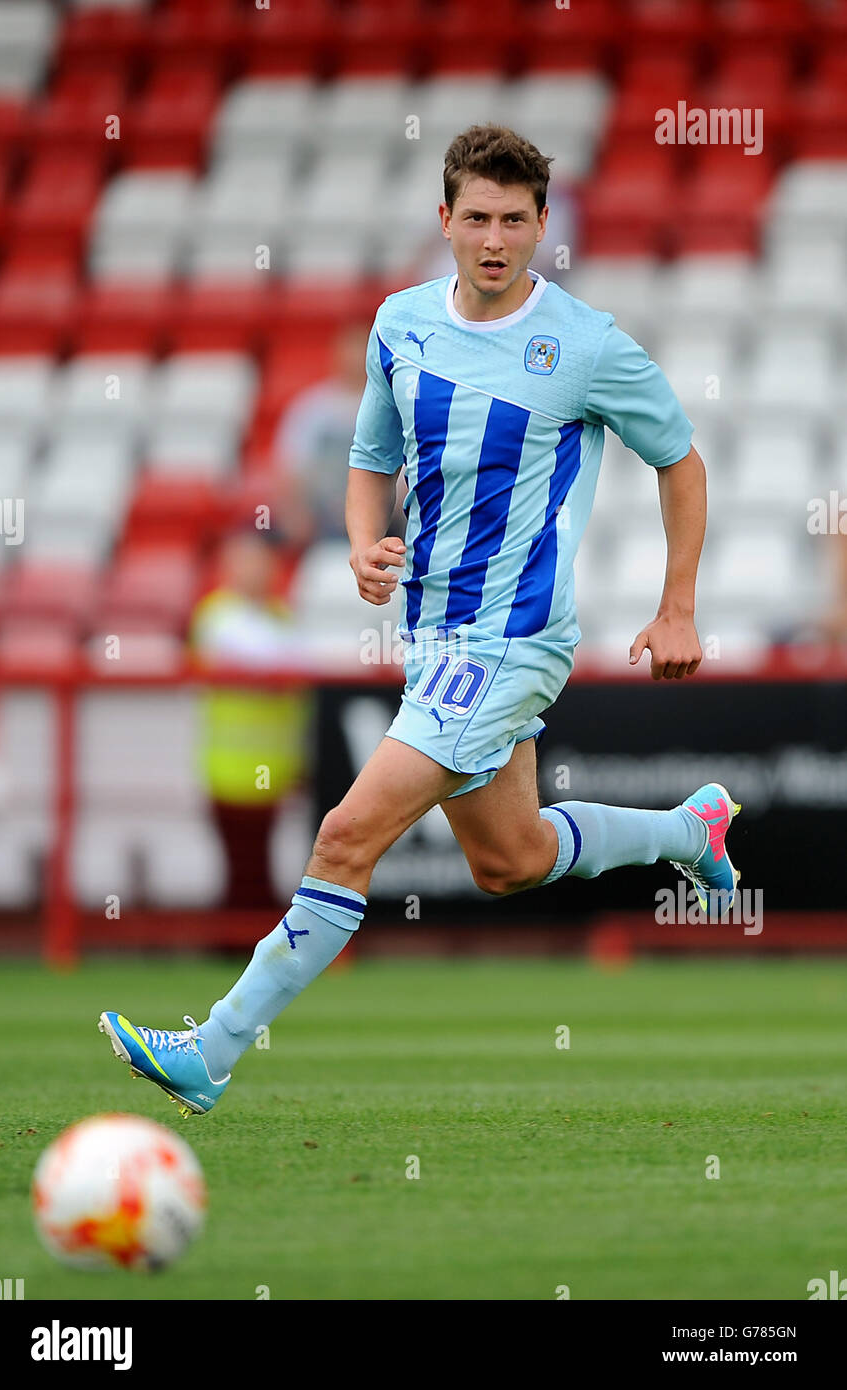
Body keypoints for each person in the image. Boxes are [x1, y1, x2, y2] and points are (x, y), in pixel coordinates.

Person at [99, 125, 741, 1117]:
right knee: (508, 859)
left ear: (539, 230)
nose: (493, 237)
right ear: (442, 221)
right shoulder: (399, 324)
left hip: (514, 638)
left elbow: (680, 461)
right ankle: (686, 827)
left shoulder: (584, 343)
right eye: (475, 217)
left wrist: (676, 605)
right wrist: (363, 541)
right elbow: (369, 456)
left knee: (343, 838)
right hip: (433, 639)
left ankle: (210, 1049)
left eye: (513, 220)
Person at [190, 526, 312, 910]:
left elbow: (295, 663)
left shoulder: (280, 615)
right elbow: (273, 658)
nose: (259, 569)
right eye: (249, 560)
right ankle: (233, 952)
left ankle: (247, 951)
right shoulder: (216, 615)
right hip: (231, 774)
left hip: (277, 771)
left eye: (264, 560)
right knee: (244, 875)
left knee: (262, 872)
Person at [270, 321, 407, 544]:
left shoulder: (394, 407)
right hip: (320, 518)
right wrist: (300, 512)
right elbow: (291, 468)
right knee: (258, 526)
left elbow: (404, 474)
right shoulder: (311, 408)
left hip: (382, 517)